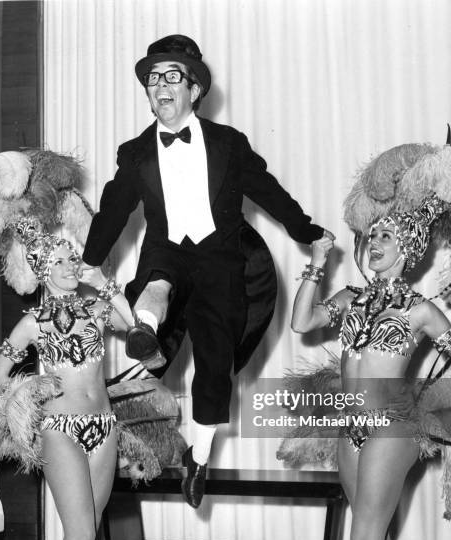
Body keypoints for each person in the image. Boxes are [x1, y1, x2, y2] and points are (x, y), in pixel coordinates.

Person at [82, 34, 334, 508]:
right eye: (153, 79)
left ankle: (199, 456)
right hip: (168, 250)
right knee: (158, 279)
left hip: (220, 258)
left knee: (215, 366)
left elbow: (268, 191)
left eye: (172, 76)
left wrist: (308, 231)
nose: (161, 85)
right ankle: (146, 329)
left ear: (194, 90)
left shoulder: (228, 144)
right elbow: (113, 210)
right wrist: (90, 260)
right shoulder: (135, 153)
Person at [291, 195, 451, 540]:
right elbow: (302, 322)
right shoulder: (351, 299)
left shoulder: (421, 311)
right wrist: (316, 263)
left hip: (393, 428)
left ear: (408, 248)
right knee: (376, 539)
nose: (375, 242)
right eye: (372, 236)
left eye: (386, 235)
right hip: (350, 428)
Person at [0, 219, 135, 540]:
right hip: (59, 430)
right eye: (62, 262)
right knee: (80, 533)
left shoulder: (98, 310)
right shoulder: (32, 324)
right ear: (43, 271)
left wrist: (103, 280)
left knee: (90, 536)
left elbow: (138, 333)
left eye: (74, 259)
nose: (72, 266)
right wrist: (28, 398)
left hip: (104, 429)